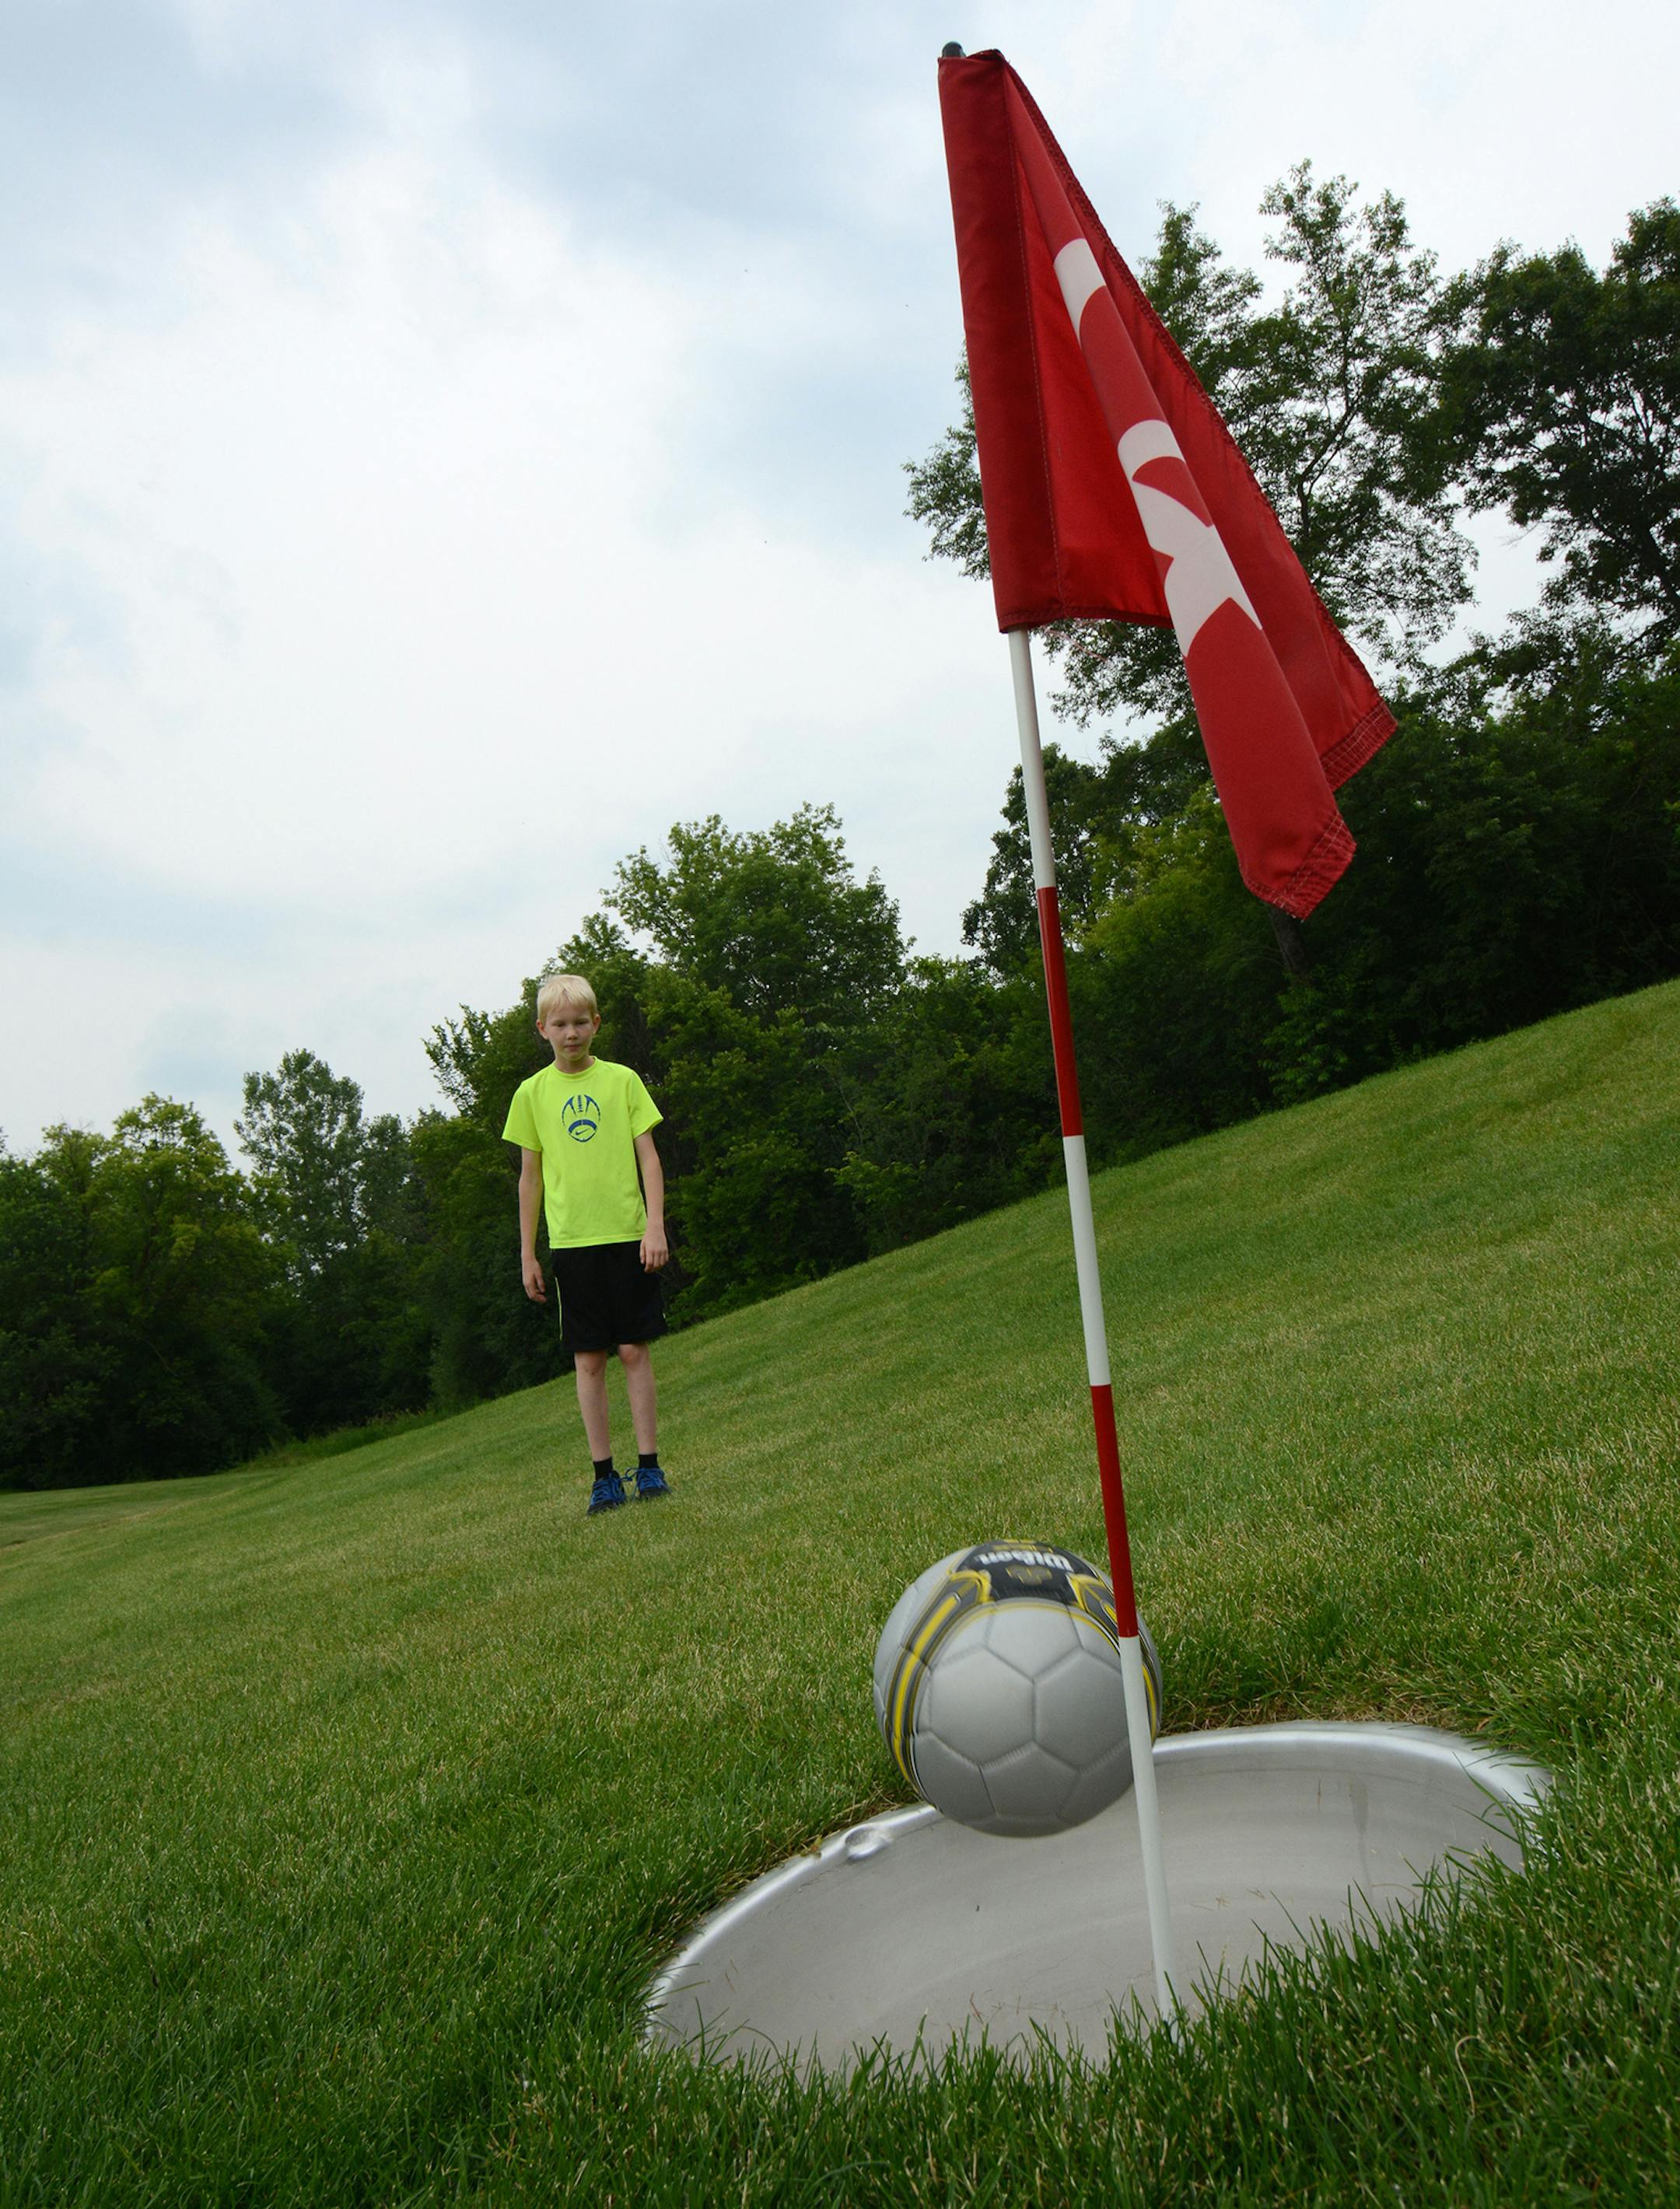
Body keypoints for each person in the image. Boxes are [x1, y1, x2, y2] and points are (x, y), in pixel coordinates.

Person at [502, 971, 673, 1515]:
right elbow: (529, 1178)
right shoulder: (531, 1094)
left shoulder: (623, 1081)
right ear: (542, 1030)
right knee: (590, 1359)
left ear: (596, 1025)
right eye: (560, 1024)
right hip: (573, 1244)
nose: (571, 1033)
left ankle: (648, 1468)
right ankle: (605, 1477)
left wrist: (655, 1225)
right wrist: (528, 1253)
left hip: (628, 1234)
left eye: (581, 1023)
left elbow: (649, 1155)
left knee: (632, 1350)